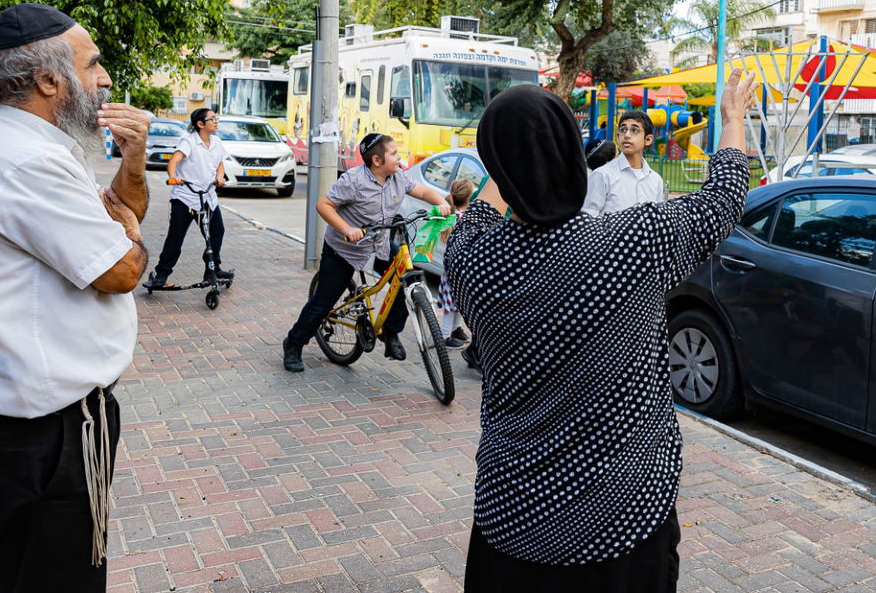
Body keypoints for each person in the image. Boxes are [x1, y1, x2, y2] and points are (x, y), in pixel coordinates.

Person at [445, 71, 757, 590]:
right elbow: (721, 200)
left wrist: (514, 156)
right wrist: (731, 121)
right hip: (626, 516)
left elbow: (479, 210)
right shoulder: (632, 243)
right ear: (573, 154)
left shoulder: (471, 259)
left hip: (512, 516)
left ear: (497, 165)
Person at [0, 2, 150, 591]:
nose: (105, 79)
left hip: (27, 432)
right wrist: (128, 238)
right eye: (92, 65)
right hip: (40, 439)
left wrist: (132, 162)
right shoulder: (26, 164)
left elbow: (122, 214)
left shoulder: (35, 148)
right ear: (48, 79)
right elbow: (121, 270)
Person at [282, 132, 451, 370]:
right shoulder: (354, 180)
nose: (399, 157)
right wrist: (347, 228)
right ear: (377, 161)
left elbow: (422, 192)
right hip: (345, 248)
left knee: (406, 277)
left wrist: (440, 202)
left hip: (378, 243)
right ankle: (294, 343)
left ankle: (390, 333)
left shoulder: (398, 177)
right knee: (323, 302)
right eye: (393, 153)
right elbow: (324, 205)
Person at [146, 107, 231, 288]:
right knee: (175, 238)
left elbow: (220, 164)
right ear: (200, 124)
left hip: (208, 197)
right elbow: (173, 162)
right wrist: (173, 177)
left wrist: (220, 177)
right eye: (212, 119)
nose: (216, 121)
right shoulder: (188, 141)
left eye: (216, 118)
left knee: (217, 232)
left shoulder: (216, 141)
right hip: (185, 198)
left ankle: (212, 270)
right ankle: (161, 274)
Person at [581, 110, 665, 216]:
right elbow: (588, 219)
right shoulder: (602, 175)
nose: (627, 135)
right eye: (623, 129)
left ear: (648, 139)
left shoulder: (656, 181)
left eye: (634, 130)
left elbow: (657, 219)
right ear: (617, 136)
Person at [431, 178, 475, 347]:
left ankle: (456, 329)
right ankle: (444, 336)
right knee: (453, 303)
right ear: (468, 197)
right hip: (459, 267)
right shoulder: (465, 218)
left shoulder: (452, 215)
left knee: (456, 301)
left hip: (451, 266)